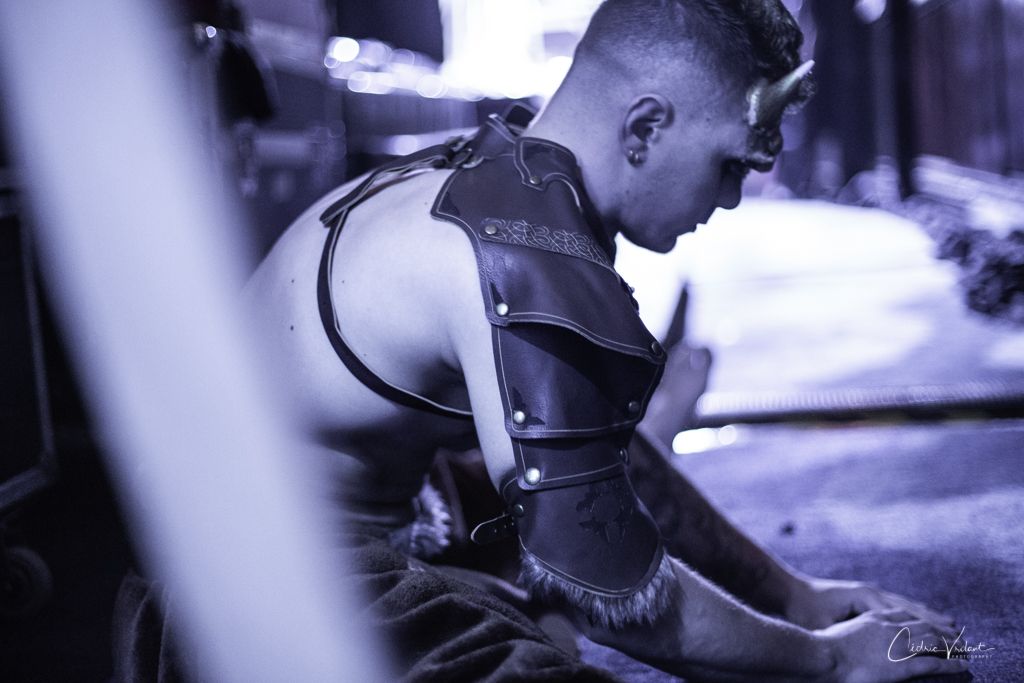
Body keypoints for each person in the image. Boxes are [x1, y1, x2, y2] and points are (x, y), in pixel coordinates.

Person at [240, 1, 969, 680]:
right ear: (645, 128)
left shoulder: (494, 172)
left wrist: (794, 597)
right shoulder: (521, 253)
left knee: (542, 553)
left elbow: (606, 455)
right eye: (729, 165)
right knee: (543, 649)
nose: (730, 199)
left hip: (314, 522)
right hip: (246, 576)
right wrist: (833, 660)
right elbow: (611, 591)